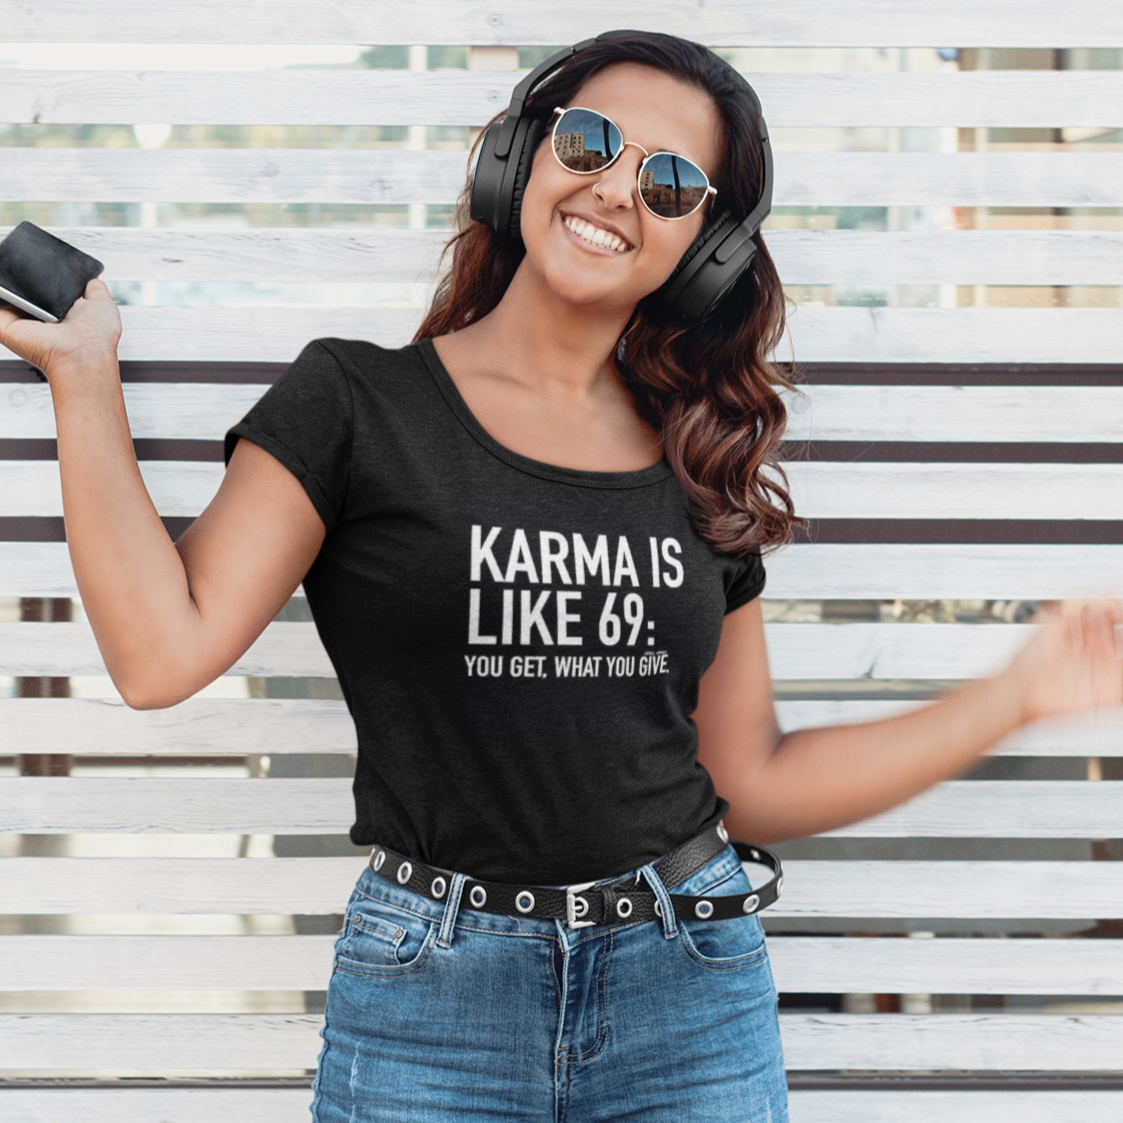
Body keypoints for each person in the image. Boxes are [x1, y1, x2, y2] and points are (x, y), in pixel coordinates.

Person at [1, 29, 1120, 1123]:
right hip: (428, 995)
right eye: (589, 142)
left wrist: (1011, 693)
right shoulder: (354, 402)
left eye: (672, 181)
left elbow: (757, 778)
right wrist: (82, 377)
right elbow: (158, 655)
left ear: (707, 244)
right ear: (519, 156)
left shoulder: (700, 454)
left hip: (688, 984)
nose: (617, 190)